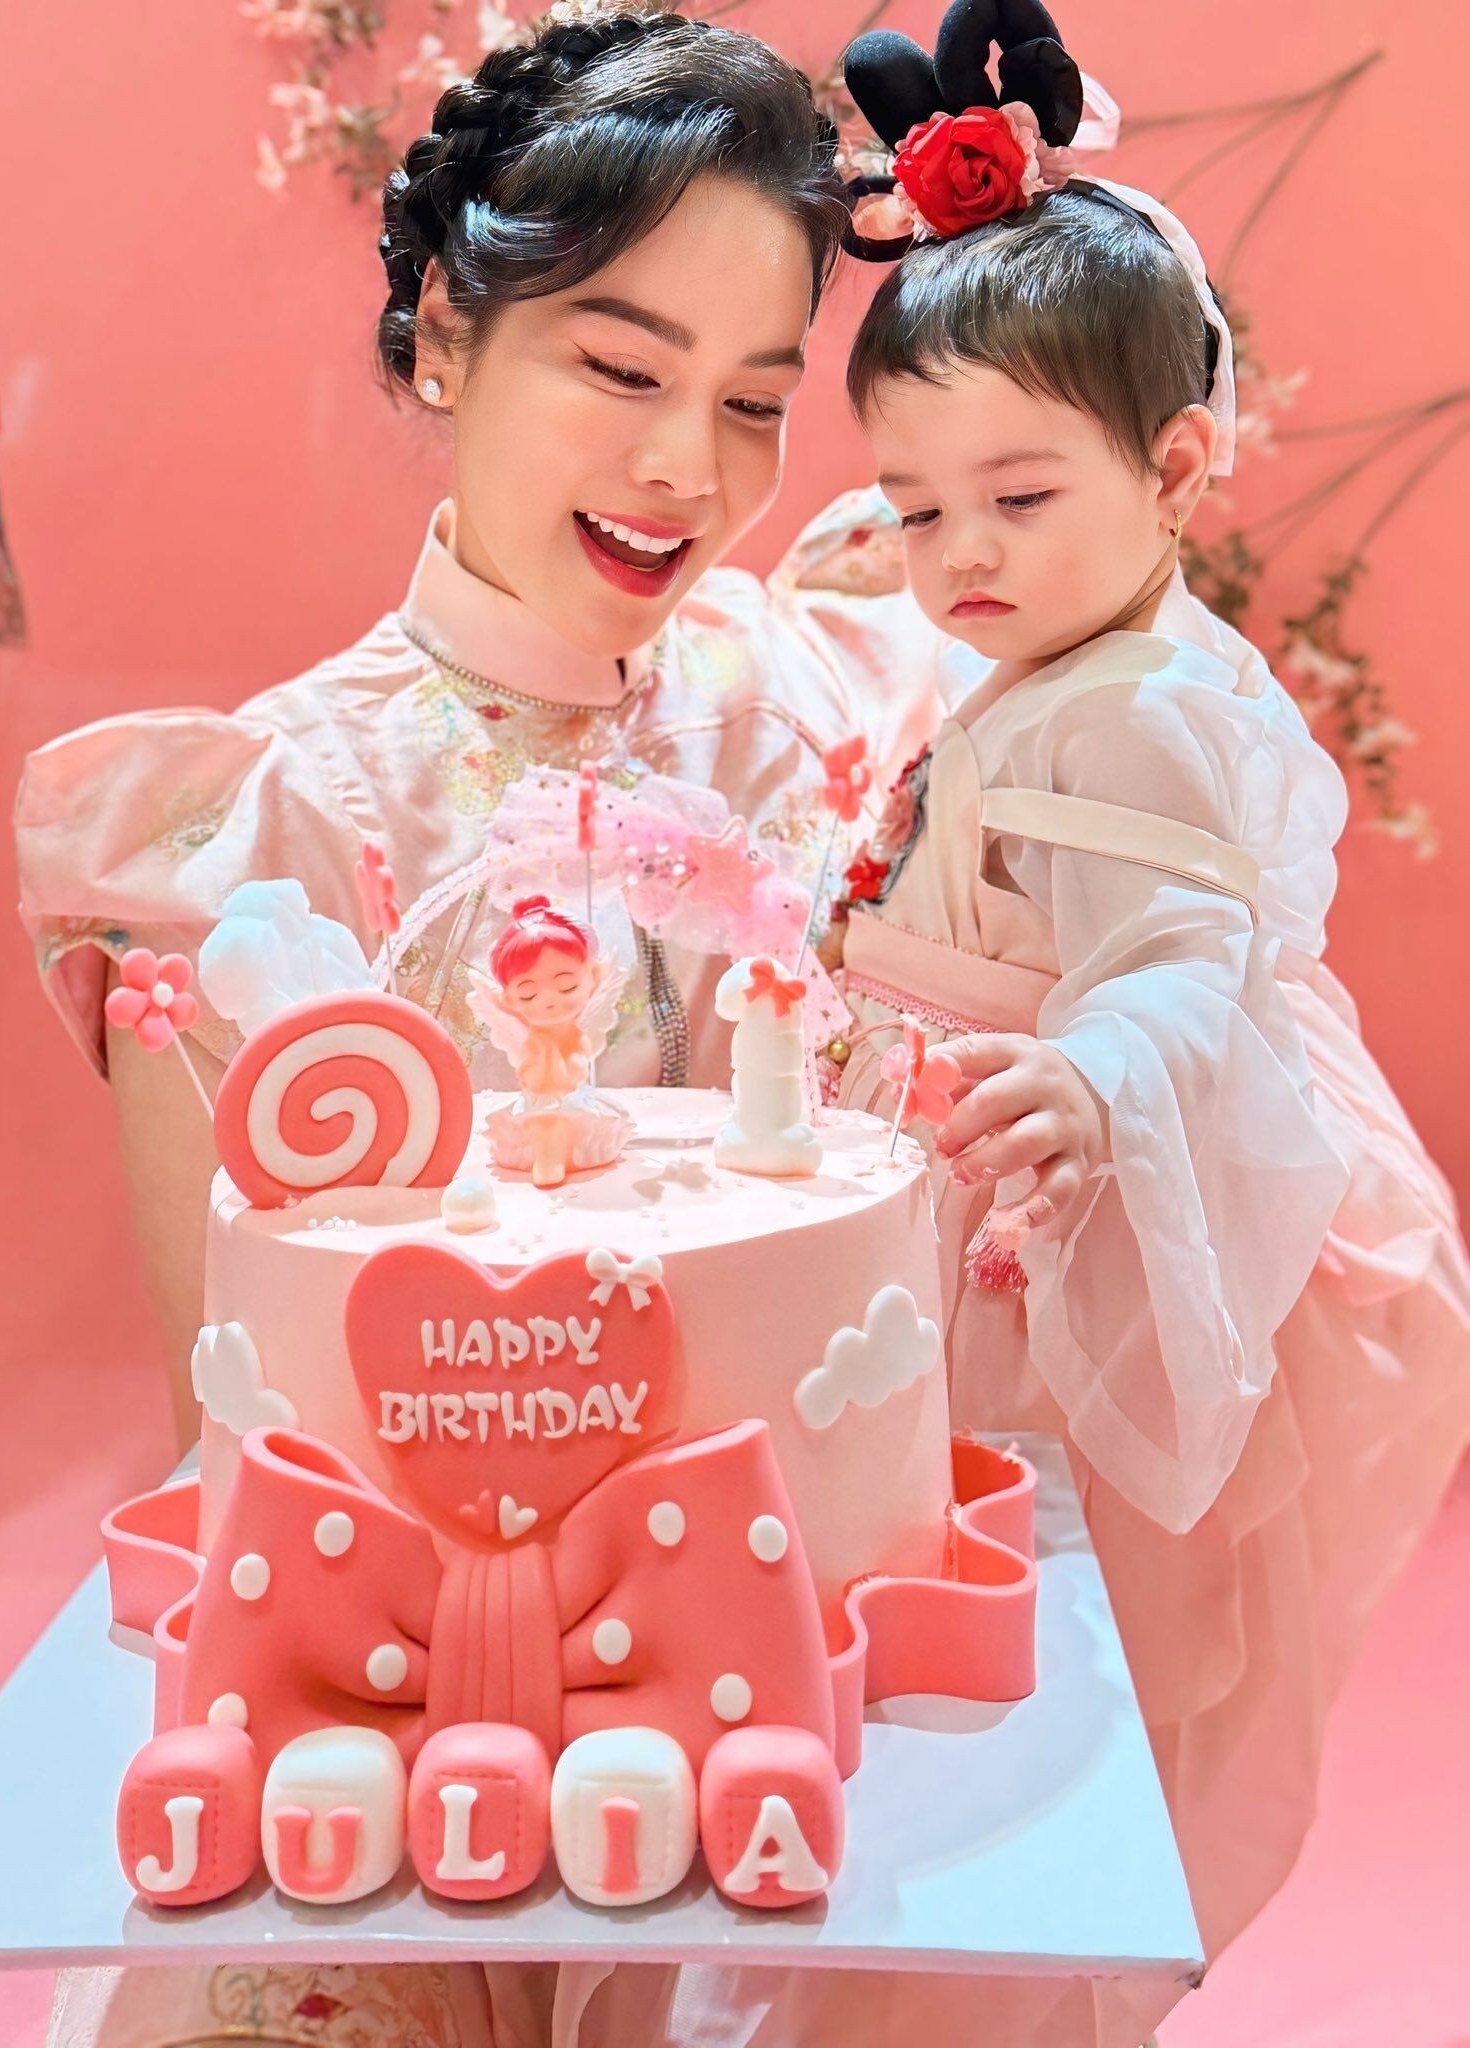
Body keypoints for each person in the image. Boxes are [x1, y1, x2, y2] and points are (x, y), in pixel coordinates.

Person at [18, 13, 951, 2047]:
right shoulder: (259, 826)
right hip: (373, 1755)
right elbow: (243, 1421)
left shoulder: (793, 707)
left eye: (755, 401)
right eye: (621, 369)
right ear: (449, 334)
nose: (688, 468)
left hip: (782, 1736)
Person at [824, 0, 1470, 1994]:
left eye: (1015, 498)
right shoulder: (1065, 643)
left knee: (1054, 1635)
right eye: (917, 505)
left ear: (1178, 463)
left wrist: (1104, 1070)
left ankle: (1015, 1967)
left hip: (1065, 1189)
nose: (957, 555)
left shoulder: (1138, 718)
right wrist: (934, 526)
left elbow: (1187, 955)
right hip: (999, 1148)